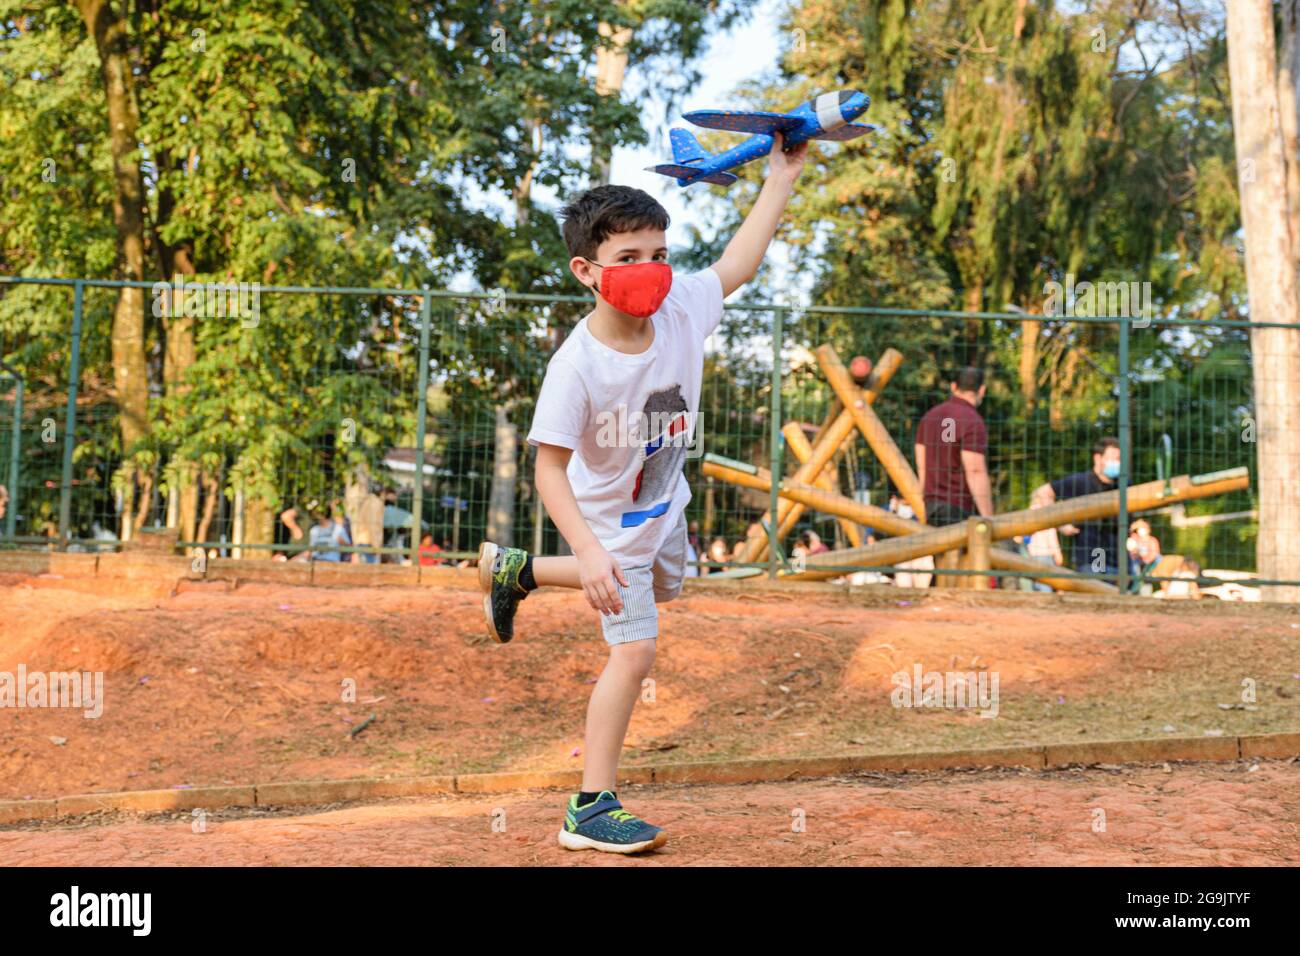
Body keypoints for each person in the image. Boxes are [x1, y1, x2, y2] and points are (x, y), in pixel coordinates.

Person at [474, 141, 807, 854]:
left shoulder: (683, 306)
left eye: (658, 252)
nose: (649, 269)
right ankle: (590, 805)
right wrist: (589, 549)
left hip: (666, 506)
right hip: (607, 519)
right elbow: (547, 473)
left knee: (667, 592)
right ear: (587, 272)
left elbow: (738, 265)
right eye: (628, 257)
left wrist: (781, 177)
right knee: (636, 651)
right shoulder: (576, 367)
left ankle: (518, 570)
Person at [1032, 437, 1122, 578]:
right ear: (1098, 458)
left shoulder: (1124, 484)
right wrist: (1060, 522)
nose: (1117, 463)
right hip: (1095, 555)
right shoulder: (1081, 482)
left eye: (1119, 459)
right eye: (1113, 458)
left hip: (1121, 558)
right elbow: (1042, 493)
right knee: (1099, 591)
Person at [914, 367, 993, 526]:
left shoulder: (929, 416)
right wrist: (989, 518)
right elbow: (975, 471)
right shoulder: (972, 420)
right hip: (959, 509)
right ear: (982, 390)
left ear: (953, 386)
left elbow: (922, 466)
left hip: (932, 508)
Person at [1127, 519, 1162, 592]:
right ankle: (1135, 590)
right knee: (1136, 572)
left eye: (1142, 528)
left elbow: (1155, 554)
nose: (1140, 531)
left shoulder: (1152, 540)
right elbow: (1132, 552)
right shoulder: (1135, 539)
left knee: (1158, 558)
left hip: (1149, 564)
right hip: (1138, 562)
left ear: (1147, 530)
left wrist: (1147, 561)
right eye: (1139, 529)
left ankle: (1136, 589)